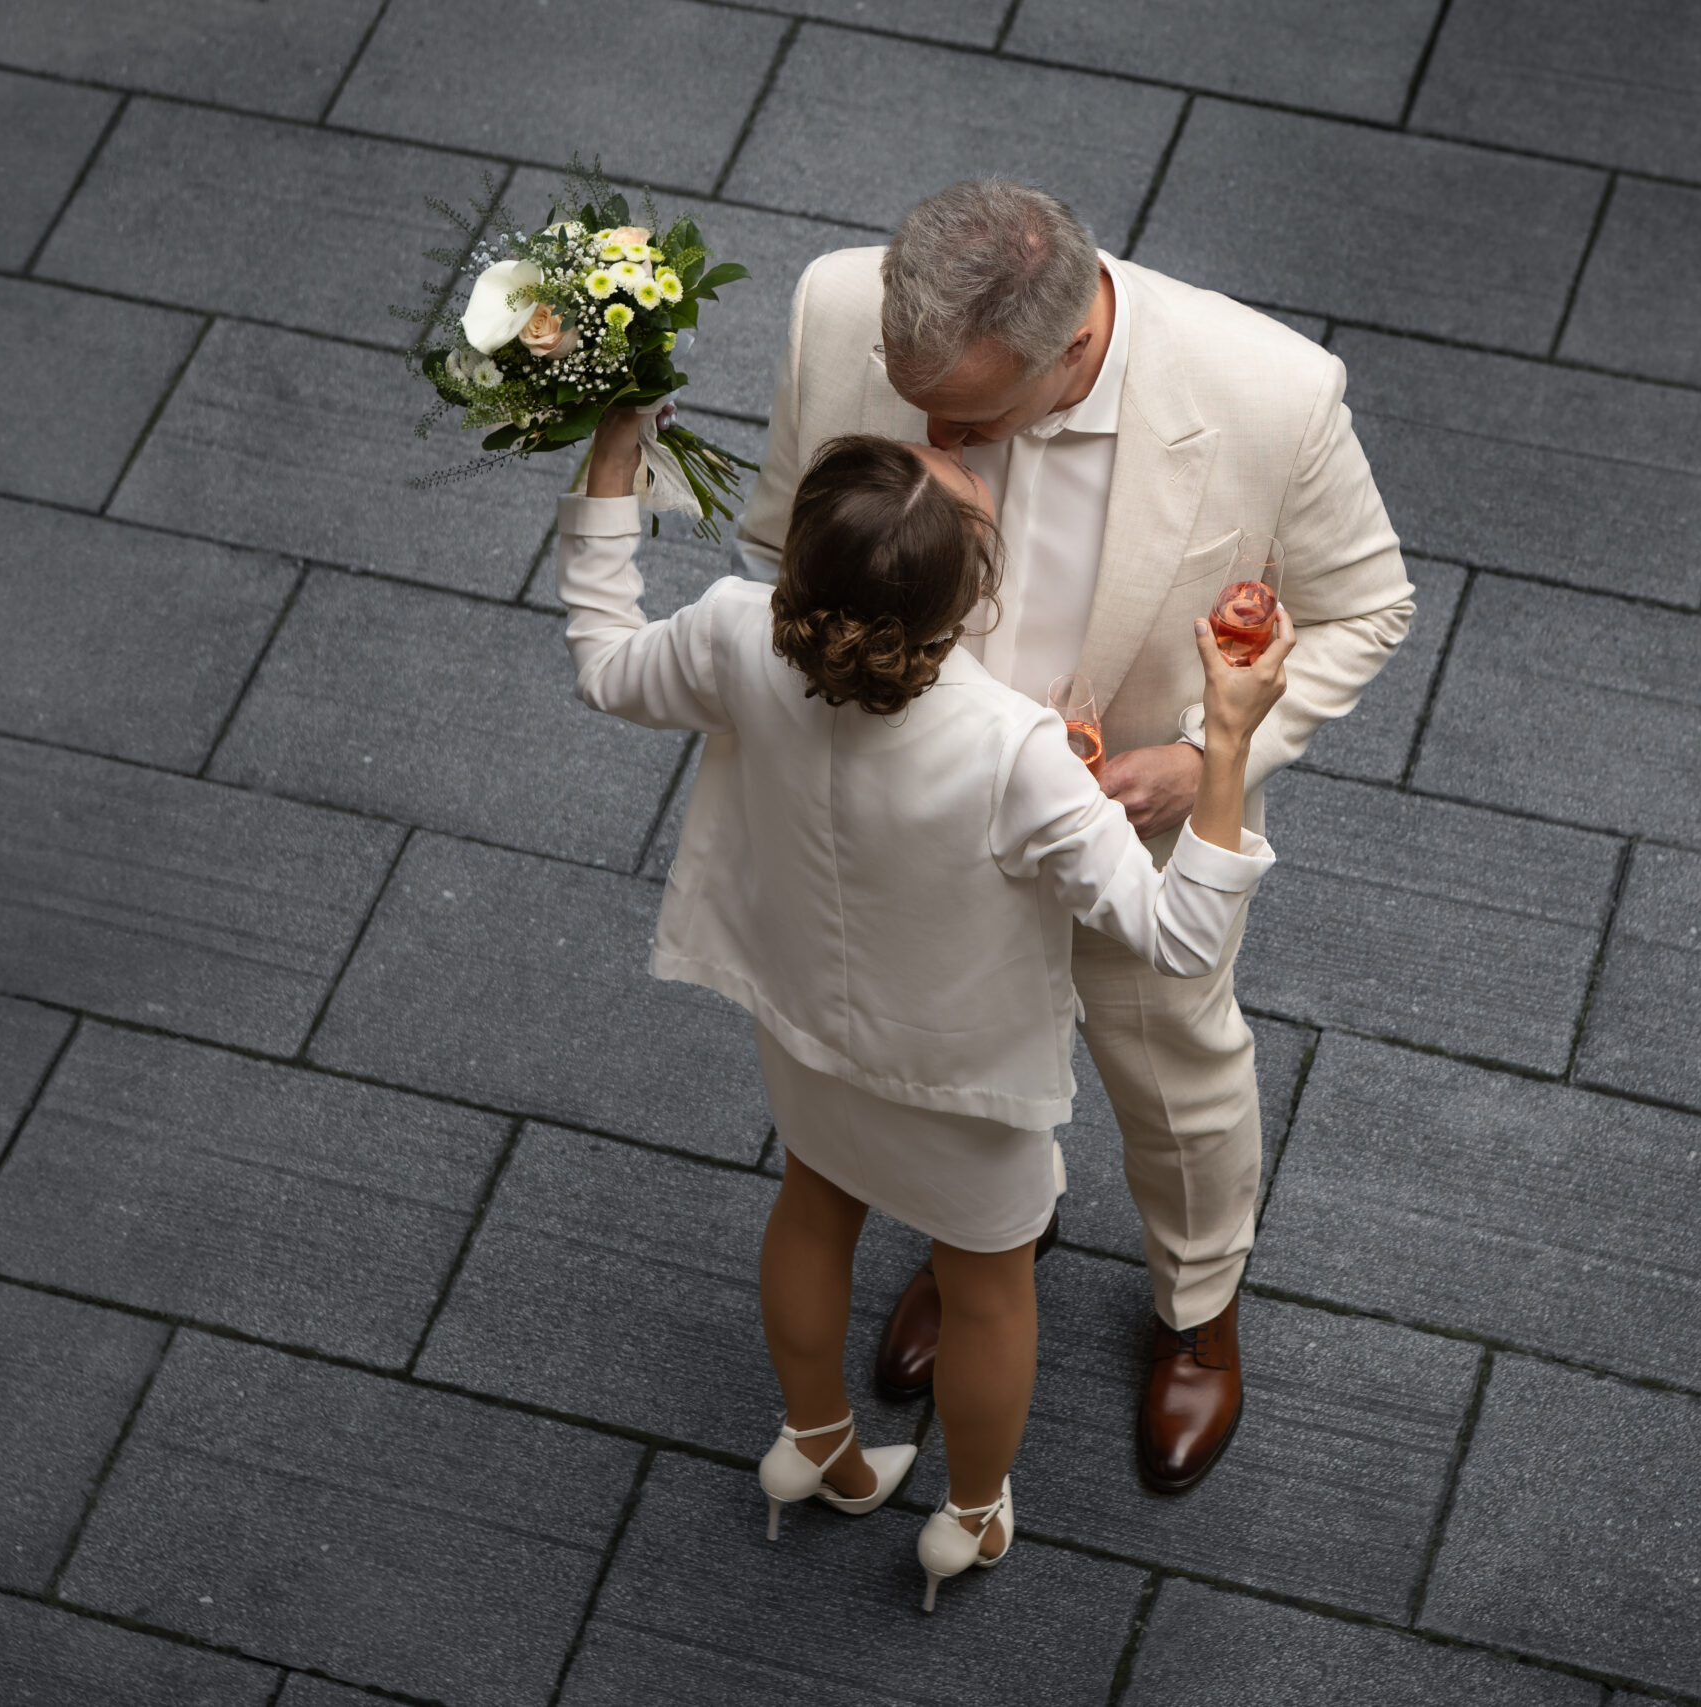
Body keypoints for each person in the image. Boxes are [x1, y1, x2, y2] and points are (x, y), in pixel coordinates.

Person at [735, 180, 1414, 1492]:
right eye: (908, 390)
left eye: (968, 417)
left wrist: (1208, 759)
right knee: (948, 1061)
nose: (930, 432)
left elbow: (1365, 608)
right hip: (913, 828)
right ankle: (989, 1237)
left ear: (1074, 354)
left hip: (1132, 820)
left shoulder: (1274, 391)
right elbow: (781, 543)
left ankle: (1197, 1306)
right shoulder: (833, 307)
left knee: (1174, 1063)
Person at [553, 406, 1291, 1608]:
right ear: (966, 609)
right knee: (991, 1289)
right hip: (968, 1089)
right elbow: (1180, 933)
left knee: (811, 1202)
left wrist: (613, 460)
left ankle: (817, 1444)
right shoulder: (1016, 750)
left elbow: (601, 660)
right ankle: (970, 1517)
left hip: (801, 1028)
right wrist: (1227, 739)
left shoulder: (740, 630)